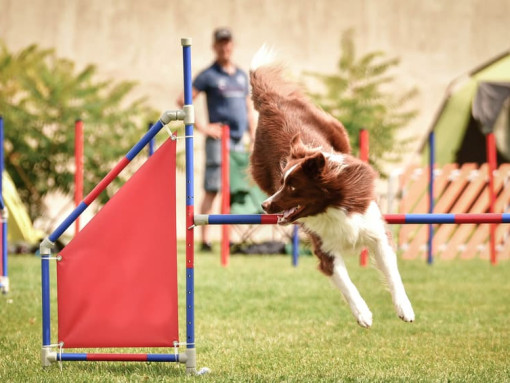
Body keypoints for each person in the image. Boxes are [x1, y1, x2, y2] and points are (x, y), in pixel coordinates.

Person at [177, 27, 256, 252]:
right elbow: (183, 99)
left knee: (233, 189)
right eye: (221, 43)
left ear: (232, 45)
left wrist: (254, 137)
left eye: (228, 42)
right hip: (218, 140)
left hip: (239, 141)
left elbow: (249, 109)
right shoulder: (208, 75)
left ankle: (228, 238)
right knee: (213, 188)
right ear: (215, 47)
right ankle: (205, 240)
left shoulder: (241, 76)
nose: (225, 47)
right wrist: (202, 127)